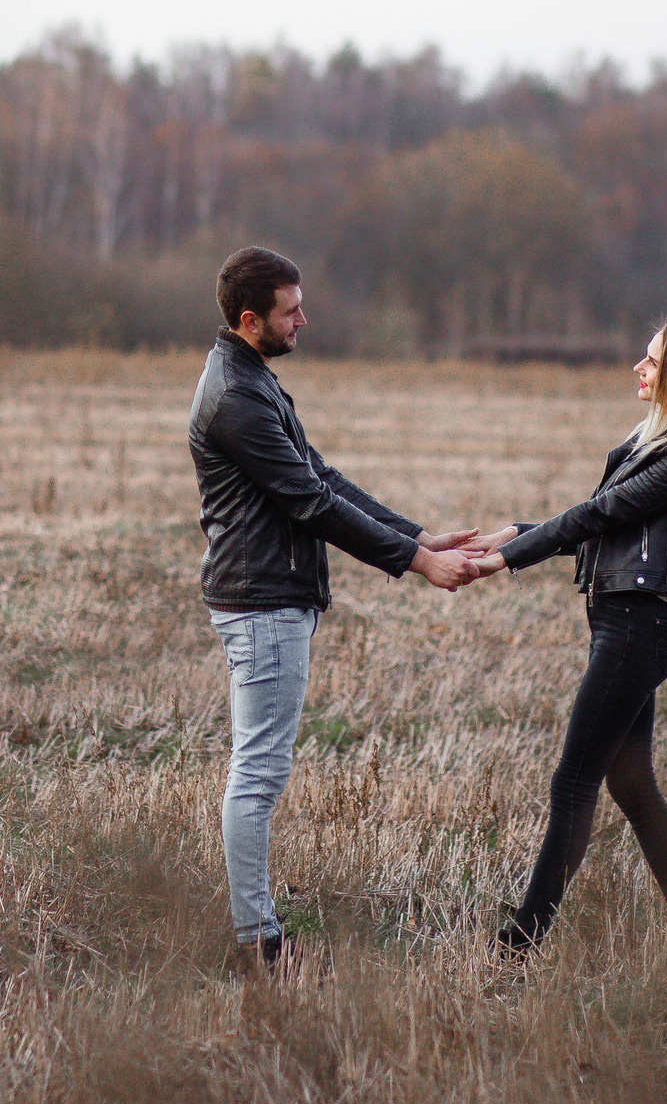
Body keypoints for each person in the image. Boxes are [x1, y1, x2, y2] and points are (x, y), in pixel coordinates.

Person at [190, 246, 480, 975]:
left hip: (268, 600)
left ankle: (256, 933)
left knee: (257, 769)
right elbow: (310, 502)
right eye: (291, 310)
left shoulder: (250, 378)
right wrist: (421, 564)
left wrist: (413, 533)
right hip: (262, 604)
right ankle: (257, 942)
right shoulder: (236, 396)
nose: (304, 319)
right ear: (251, 318)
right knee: (256, 774)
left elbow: (320, 473)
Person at [462, 316, 667, 957]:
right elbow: (604, 528)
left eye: (651, 361)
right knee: (634, 785)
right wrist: (516, 531)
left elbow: (598, 514)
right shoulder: (657, 448)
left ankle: (519, 944)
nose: (638, 369)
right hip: (625, 626)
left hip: (637, 630)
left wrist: (509, 558)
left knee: (573, 783)